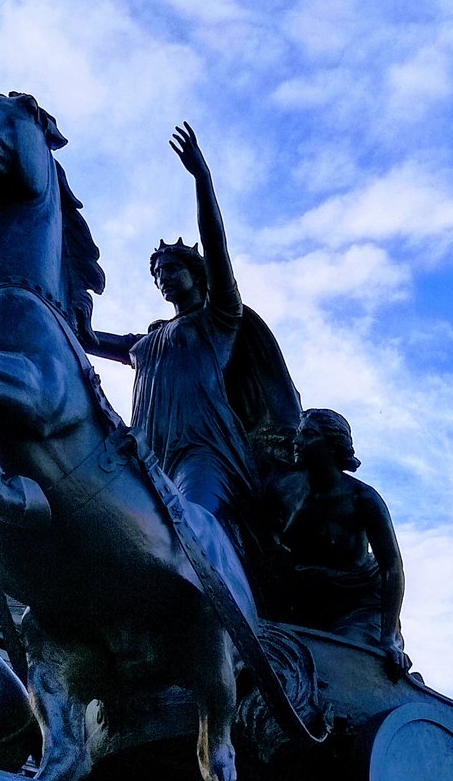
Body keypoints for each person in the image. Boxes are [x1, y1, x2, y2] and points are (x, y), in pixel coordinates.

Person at [88, 124, 300, 552]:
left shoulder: (219, 317)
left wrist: (201, 178)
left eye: (171, 270)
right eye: (157, 274)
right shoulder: (149, 339)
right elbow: (85, 339)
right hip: (148, 449)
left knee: (192, 527)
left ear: (194, 273)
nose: (163, 279)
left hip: (206, 450)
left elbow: (216, 243)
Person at [269, 408, 411, 679]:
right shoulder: (282, 490)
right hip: (305, 606)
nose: (297, 442)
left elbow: (392, 568)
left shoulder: (363, 499)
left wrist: (388, 637)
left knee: (340, 665)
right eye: (299, 433)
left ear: (333, 446)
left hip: (359, 607)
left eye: (309, 435)